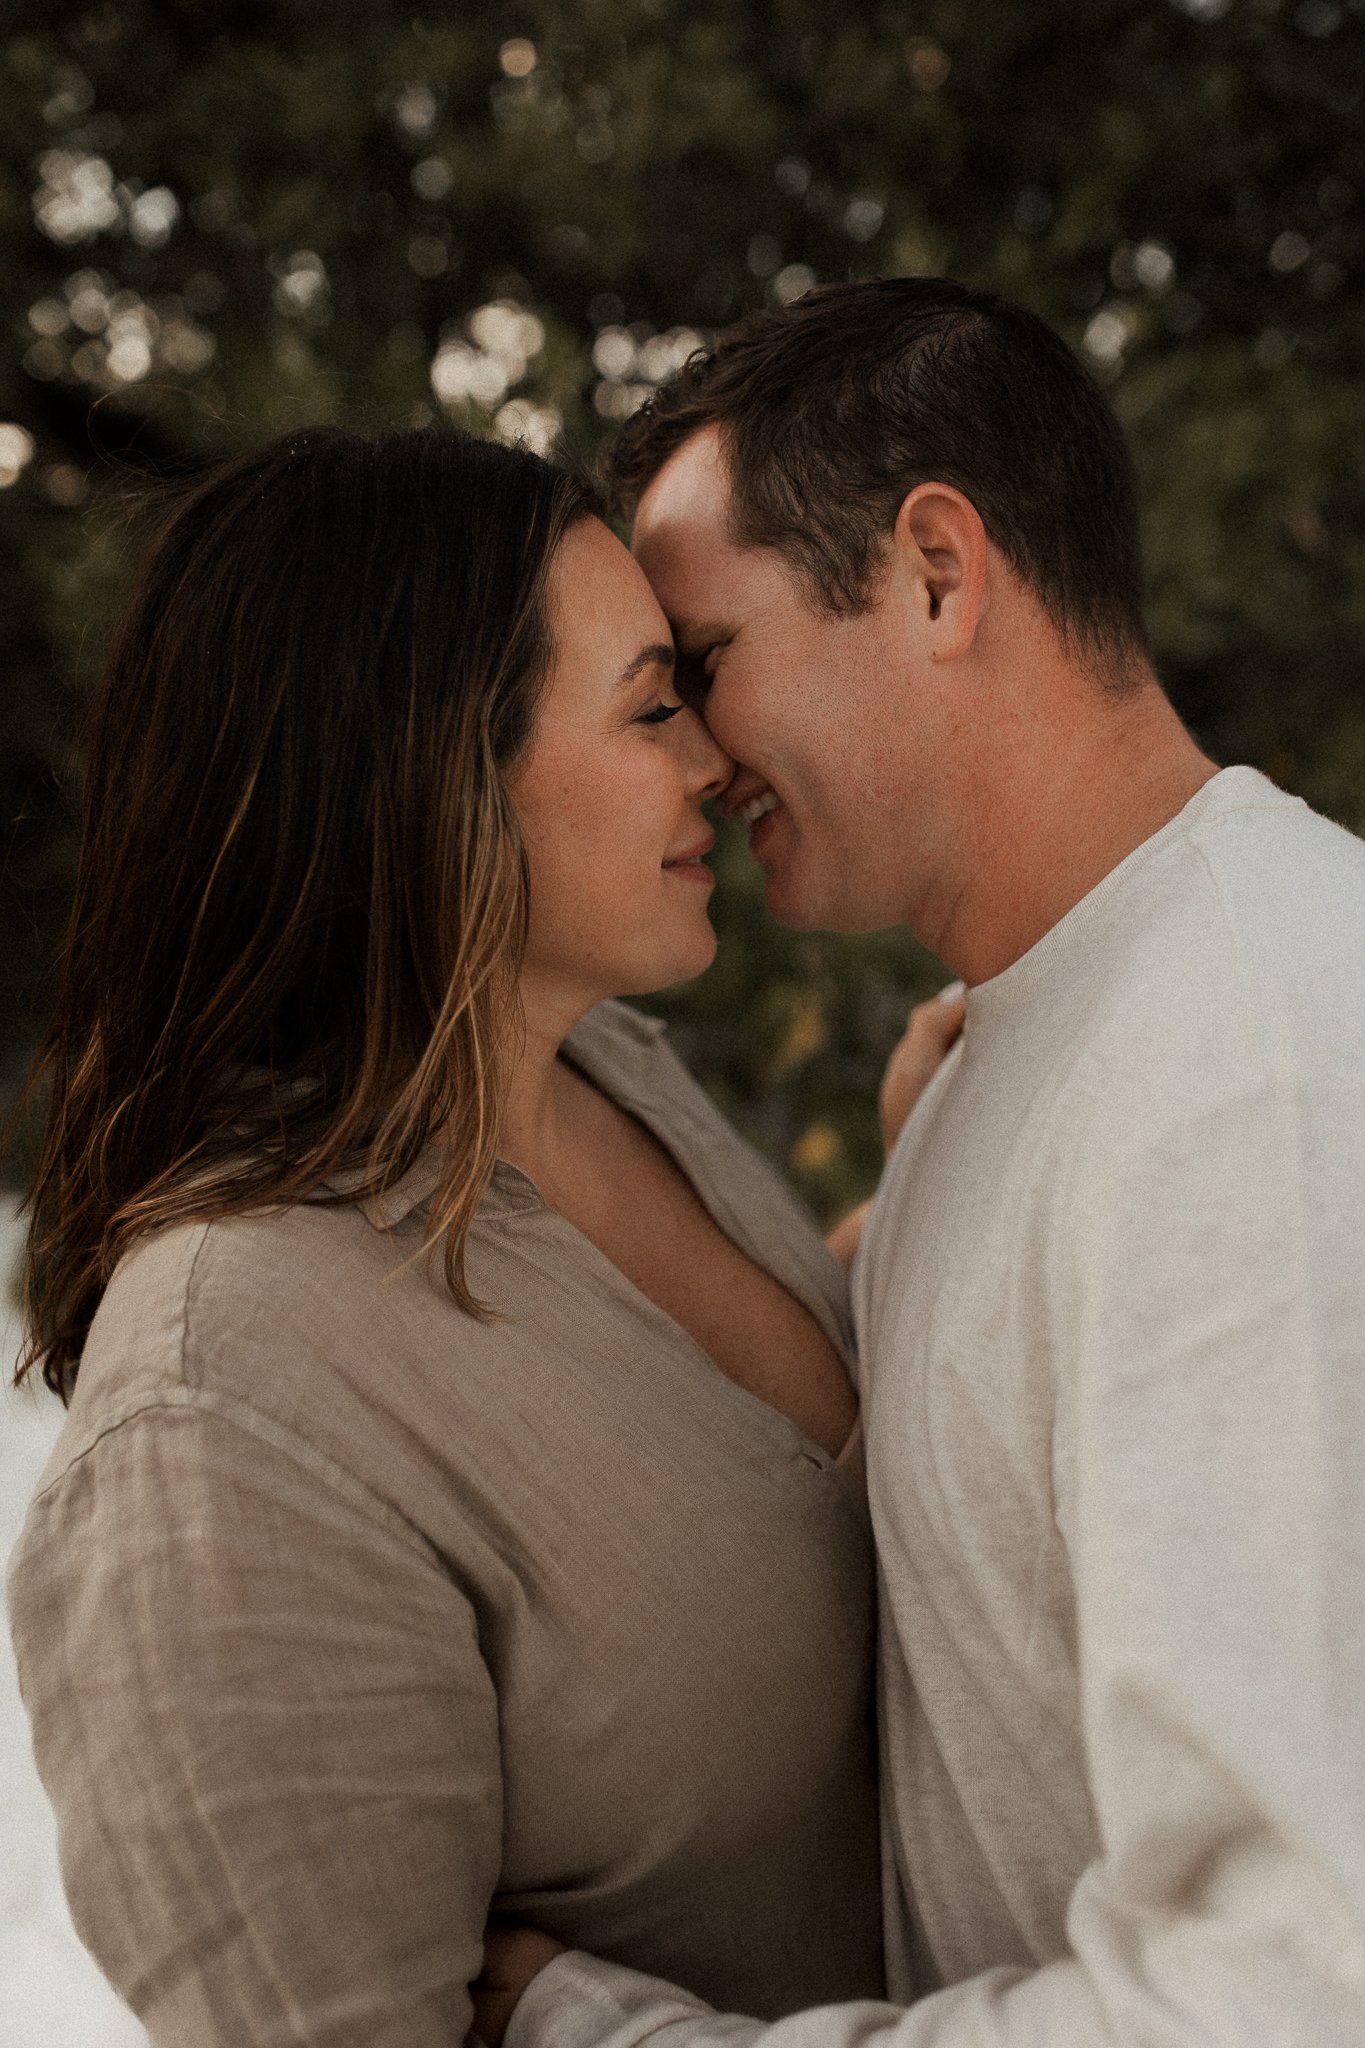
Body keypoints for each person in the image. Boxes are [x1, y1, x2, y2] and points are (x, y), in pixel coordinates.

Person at [476, 279, 1365, 2047]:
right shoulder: (1045, 1050)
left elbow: (1286, 1994)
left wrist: (600, 2038)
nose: (700, 758)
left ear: (936, 573)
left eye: (702, 666)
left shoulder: (1248, 1081)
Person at [6, 423, 960, 2047]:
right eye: (654, 703)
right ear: (429, 771)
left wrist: (951, 1176)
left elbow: (724, 1458)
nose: (715, 761)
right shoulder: (221, 1411)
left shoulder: (601, 1067)